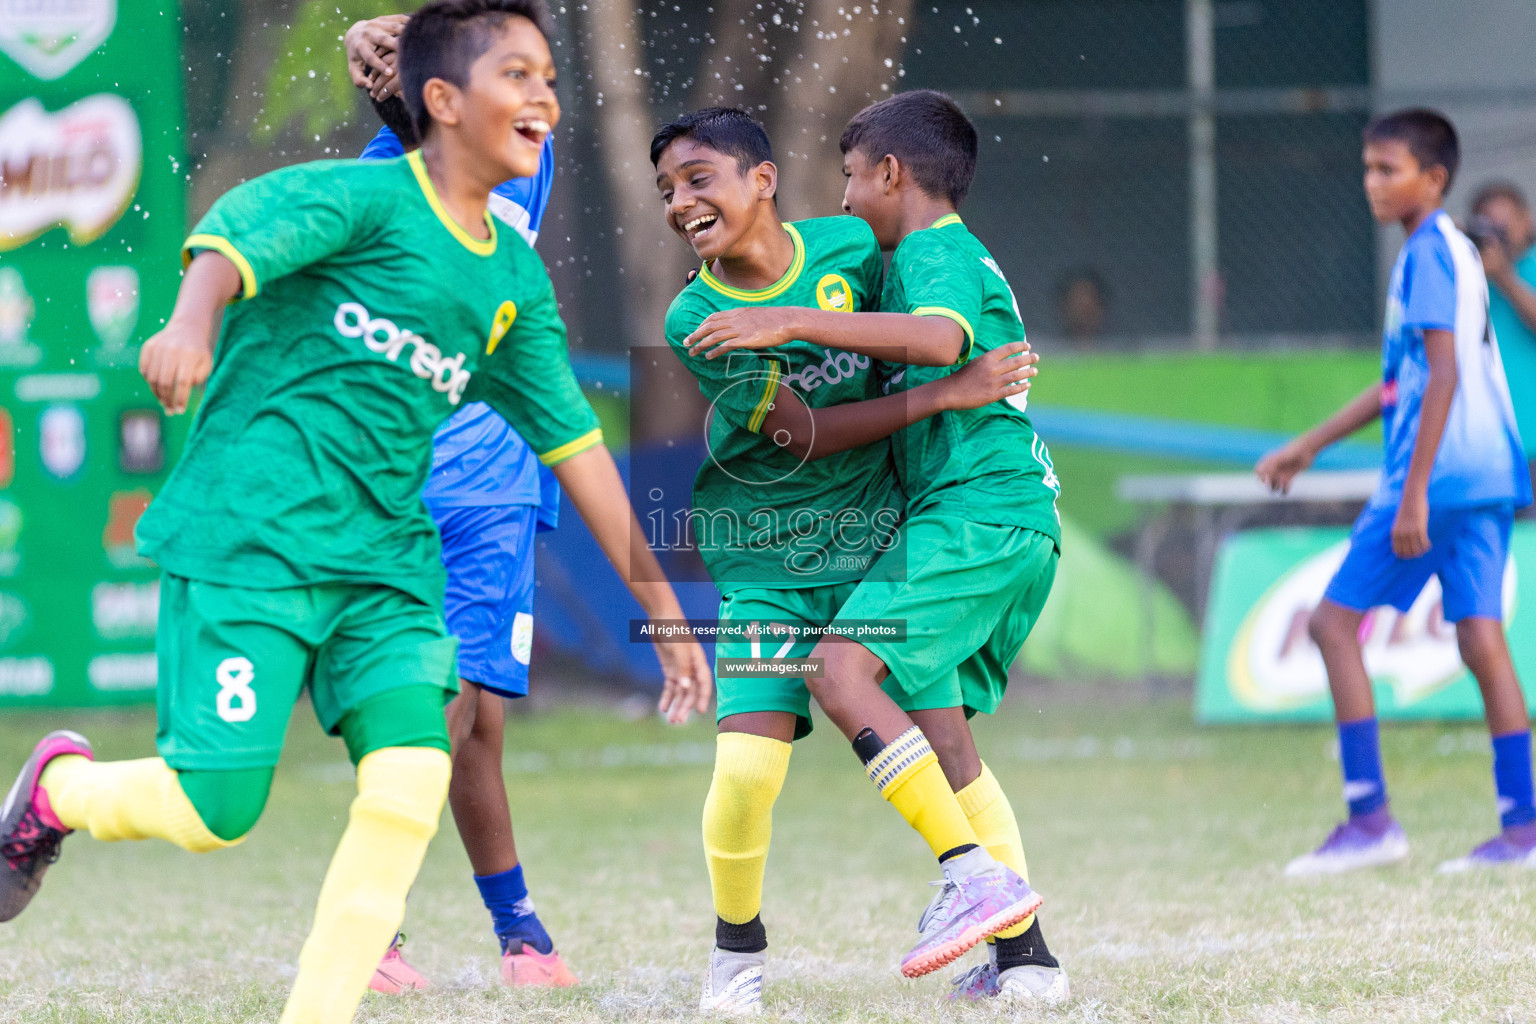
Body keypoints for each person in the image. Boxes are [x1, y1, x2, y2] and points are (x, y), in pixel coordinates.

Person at [0, 6, 709, 1024]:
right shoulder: (363, 195)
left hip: (385, 560)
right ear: (443, 102)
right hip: (256, 534)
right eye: (519, 74)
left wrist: (666, 607)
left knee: (415, 768)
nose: (546, 96)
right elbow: (236, 233)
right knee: (216, 811)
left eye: (551, 76)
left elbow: (579, 451)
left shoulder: (511, 280)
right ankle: (58, 793)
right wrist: (190, 325)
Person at [652, 107, 1042, 1014]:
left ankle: (1026, 959)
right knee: (746, 774)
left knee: (950, 748)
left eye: (698, 177)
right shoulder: (697, 315)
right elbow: (805, 434)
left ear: (762, 179)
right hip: (770, 563)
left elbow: (935, 323)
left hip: (882, 543)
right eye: (667, 188)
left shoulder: (856, 250)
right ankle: (735, 960)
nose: (681, 200)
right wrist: (952, 388)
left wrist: (966, 371)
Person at [343, 10, 581, 992]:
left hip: (493, 482)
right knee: (444, 704)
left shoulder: (522, 149)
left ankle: (522, 938)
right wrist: (392, 100)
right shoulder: (369, 175)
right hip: (408, 477)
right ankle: (369, 928)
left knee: (481, 723)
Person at [1256, 109, 1534, 875]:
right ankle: (1524, 828)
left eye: (1389, 170)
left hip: (1437, 481)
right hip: (1486, 476)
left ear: (1434, 179)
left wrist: (1412, 497)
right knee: (1480, 638)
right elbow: (1399, 384)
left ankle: (1370, 818)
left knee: (1332, 625)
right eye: (1369, 169)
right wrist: (1310, 444)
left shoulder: (1427, 257)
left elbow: (1441, 377)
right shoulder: (1449, 252)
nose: (1373, 183)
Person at [1468, 181, 1536, 479]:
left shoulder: (1529, 269)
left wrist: (1504, 278)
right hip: (1485, 449)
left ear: (1527, 221)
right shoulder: (1467, 278)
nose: (1499, 237)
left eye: (1506, 226)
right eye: (1490, 228)